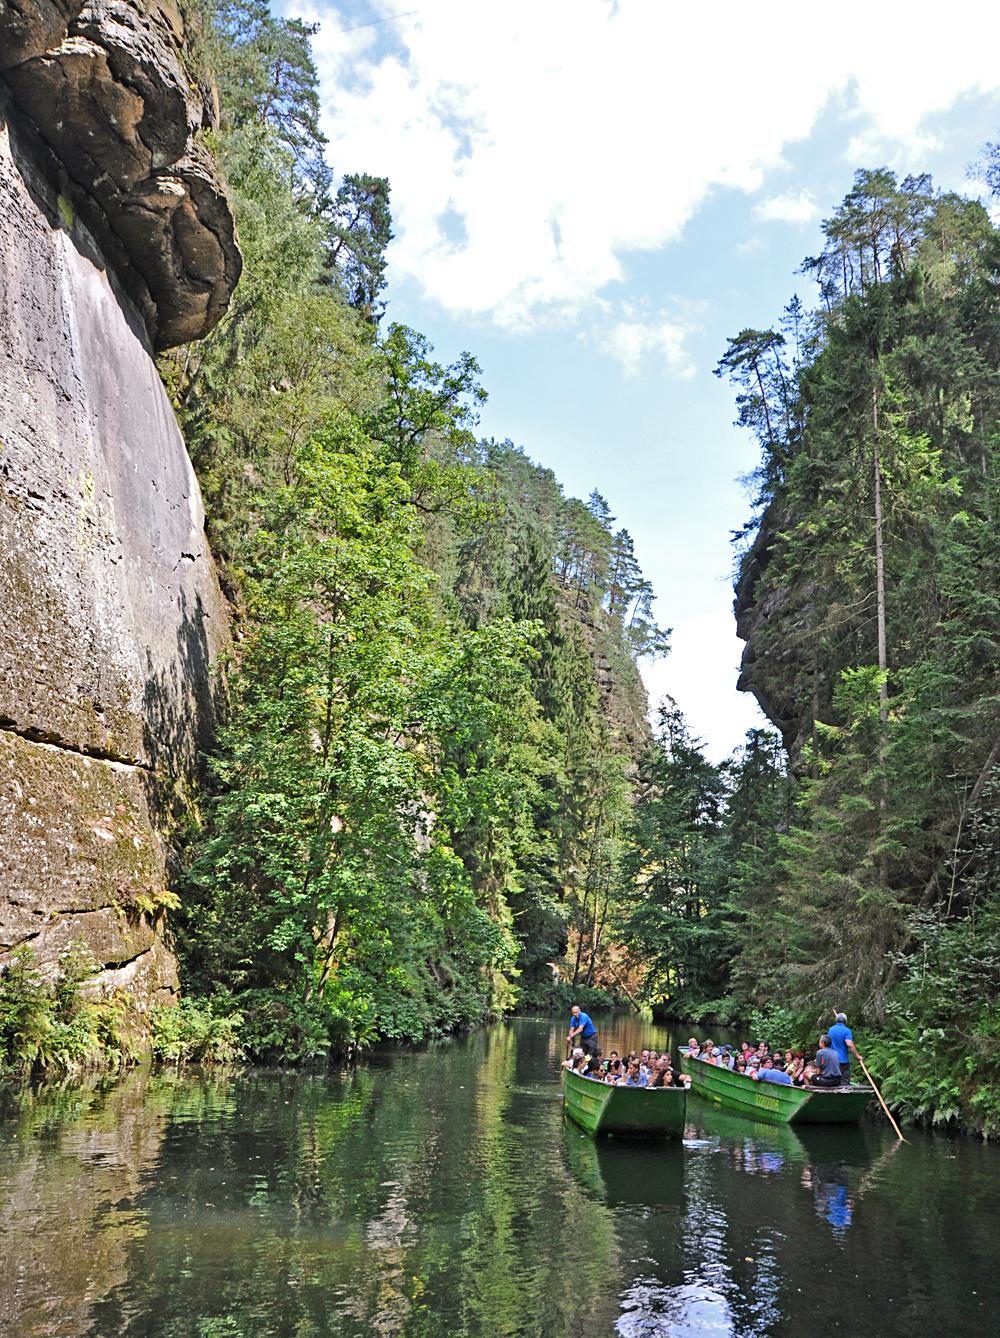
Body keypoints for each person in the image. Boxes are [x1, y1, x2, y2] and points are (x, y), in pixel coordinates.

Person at [828, 1012, 858, 1085]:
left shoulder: (830, 1030)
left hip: (832, 1059)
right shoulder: (846, 1030)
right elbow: (849, 1044)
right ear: (845, 1021)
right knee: (844, 1081)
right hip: (842, 1061)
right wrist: (857, 1055)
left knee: (833, 1080)